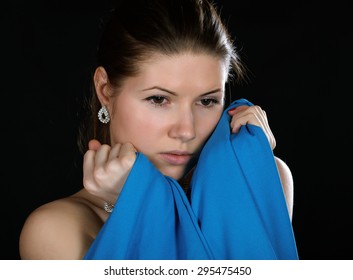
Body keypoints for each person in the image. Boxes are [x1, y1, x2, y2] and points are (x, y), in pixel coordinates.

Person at [19, 0, 296, 260]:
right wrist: (138, 203)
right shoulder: (55, 231)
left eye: (207, 101)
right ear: (105, 89)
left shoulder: (272, 177)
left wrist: (252, 169)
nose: (186, 130)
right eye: (159, 99)